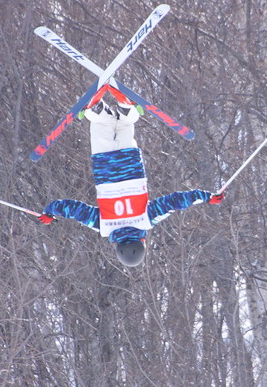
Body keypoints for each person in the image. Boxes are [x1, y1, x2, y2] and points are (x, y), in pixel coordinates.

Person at [38, 86, 224, 267]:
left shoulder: (146, 219)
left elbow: (175, 202)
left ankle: (127, 110)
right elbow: (74, 210)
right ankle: (97, 111)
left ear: (142, 243)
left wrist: (205, 197)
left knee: (126, 128)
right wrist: (51, 211)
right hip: (105, 169)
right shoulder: (104, 226)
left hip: (131, 169)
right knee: (101, 127)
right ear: (117, 247)